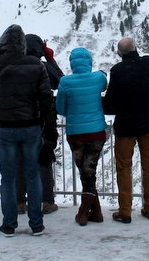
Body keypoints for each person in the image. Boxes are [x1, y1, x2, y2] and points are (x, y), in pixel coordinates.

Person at [0, 24, 57, 237]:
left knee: (8, 178)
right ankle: (36, 224)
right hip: (31, 126)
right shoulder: (35, 65)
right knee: (33, 175)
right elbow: (46, 99)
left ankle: (9, 224)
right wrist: (50, 131)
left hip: (5, 128)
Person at [104, 38, 149, 223]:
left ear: (119, 53)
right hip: (147, 124)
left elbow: (111, 101)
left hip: (126, 126)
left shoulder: (117, 71)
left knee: (124, 168)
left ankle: (125, 211)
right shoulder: (147, 63)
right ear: (136, 48)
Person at [55, 47, 108, 226]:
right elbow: (104, 84)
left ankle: (83, 212)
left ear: (72, 63)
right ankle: (97, 212)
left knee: (85, 172)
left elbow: (61, 108)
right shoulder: (98, 78)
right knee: (89, 171)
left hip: (76, 135)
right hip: (97, 133)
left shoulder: (65, 82)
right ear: (89, 62)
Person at [15, 34, 64, 215]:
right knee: (43, 160)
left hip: (17, 121)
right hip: (40, 121)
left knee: (20, 161)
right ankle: (47, 201)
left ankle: (19, 201)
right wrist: (50, 59)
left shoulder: (14, 66)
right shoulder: (42, 67)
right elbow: (60, 81)